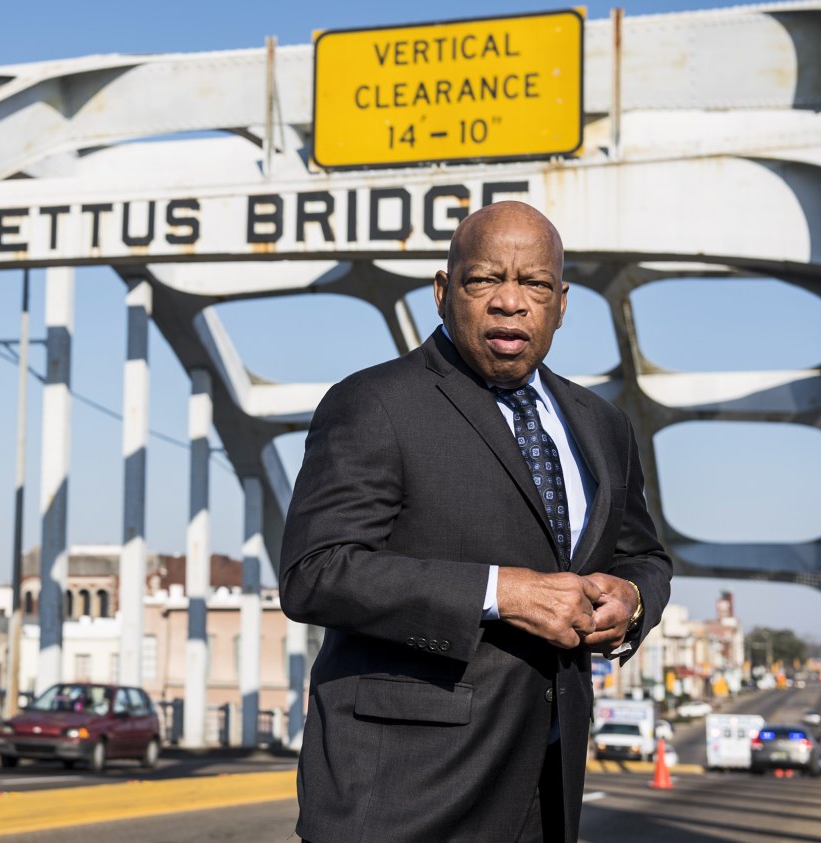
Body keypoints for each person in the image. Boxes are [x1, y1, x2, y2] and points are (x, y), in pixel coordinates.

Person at [279, 201, 671, 843]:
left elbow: (643, 557)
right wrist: (499, 593)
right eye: (484, 279)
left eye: (534, 284)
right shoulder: (375, 402)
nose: (509, 302)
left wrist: (630, 603)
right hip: (402, 796)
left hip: (547, 785)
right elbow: (313, 574)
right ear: (442, 292)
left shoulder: (603, 425)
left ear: (563, 302)